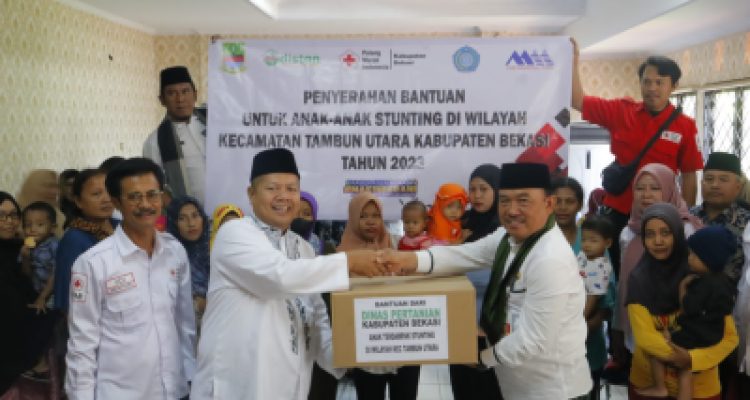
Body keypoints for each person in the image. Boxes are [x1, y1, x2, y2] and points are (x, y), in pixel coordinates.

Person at [382, 162, 592, 399]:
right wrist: (408, 260)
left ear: (548, 204)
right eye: (505, 201)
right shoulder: (507, 238)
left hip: (553, 390)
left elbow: (533, 341)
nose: (512, 210)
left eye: (523, 201)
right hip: (517, 385)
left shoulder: (550, 258)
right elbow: (464, 255)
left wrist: (482, 359)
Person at [190, 148, 388, 400]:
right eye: (272, 188)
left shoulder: (304, 249)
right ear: (251, 194)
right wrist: (348, 262)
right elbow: (279, 277)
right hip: (237, 388)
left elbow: (316, 319)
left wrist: (356, 351)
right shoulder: (235, 233)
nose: (283, 196)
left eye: (292, 189)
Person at [65, 158, 196, 399]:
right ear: (117, 202)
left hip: (174, 390)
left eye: (152, 195)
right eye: (134, 197)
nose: (145, 204)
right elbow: (82, 344)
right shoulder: (93, 263)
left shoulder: (174, 252)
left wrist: (190, 378)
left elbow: (184, 323)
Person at [572, 39, 704, 280]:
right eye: (646, 81)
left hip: (660, 216)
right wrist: (573, 61)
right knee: (611, 275)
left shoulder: (684, 126)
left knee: (657, 277)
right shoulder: (622, 111)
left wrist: (683, 217)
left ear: (674, 86)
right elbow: (577, 101)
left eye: (659, 82)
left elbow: (689, 176)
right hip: (618, 212)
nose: (652, 88)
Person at [626, 204, 738, 399]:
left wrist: (692, 359)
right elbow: (645, 338)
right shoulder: (639, 279)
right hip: (647, 382)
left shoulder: (702, 274)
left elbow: (729, 338)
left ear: (678, 234)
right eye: (650, 234)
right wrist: (680, 357)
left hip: (700, 388)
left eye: (666, 233)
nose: (658, 241)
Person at [614, 163, 703, 365]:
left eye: (655, 188)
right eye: (640, 188)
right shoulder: (628, 232)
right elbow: (624, 282)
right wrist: (618, 325)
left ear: (670, 190)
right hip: (639, 320)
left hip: (678, 325)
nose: (646, 195)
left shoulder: (686, 229)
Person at [339, 192, 420, 400]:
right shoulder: (341, 257)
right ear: (353, 218)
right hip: (366, 350)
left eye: (375, 215)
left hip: (405, 346)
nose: (370, 221)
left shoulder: (398, 244)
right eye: (363, 216)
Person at [451, 163, 503, 400]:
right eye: (472, 189)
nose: (477, 195)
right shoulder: (461, 226)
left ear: (497, 190)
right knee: (462, 387)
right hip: (459, 323)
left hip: (490, 328)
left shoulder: (504, 230)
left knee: (488, 389)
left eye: (484, 189)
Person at [54, 169, 117, 314]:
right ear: (78, 201)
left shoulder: (122, 228)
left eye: (109, 191)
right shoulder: (74, 239)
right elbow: (69, 295)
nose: (106, 199)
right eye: (96, 194)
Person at [143, 66, 207, 204]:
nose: (180, 99)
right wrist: (178, 211)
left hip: (232, 210)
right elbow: (155, 187)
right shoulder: (155, 141)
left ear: (195, 94)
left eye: (185, 91)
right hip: (189, 214)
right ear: (162, 100)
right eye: (172, 93)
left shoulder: (215, 123)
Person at [690, 152, 750, 284]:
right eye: (709, 179)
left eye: (723, 180)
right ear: (701, 183)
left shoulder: (747, 222)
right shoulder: (687, 217)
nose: (715, 185)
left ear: (738, 187)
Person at [0, 192, 37, 396]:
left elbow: (28, 285)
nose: (9, 222)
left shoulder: (21, 248)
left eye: (14, 215)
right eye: (1, 216)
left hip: (18, 336)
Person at [578, 215, 616, 399]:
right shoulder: (584, 256)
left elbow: (593, 297)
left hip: (583, 316)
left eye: (593, 240)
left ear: (607, 243)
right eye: (584, 239)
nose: (587, 244)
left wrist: (579, 318)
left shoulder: (601, 267)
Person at [167, 196, 211, 324]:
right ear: (174, 223)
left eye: (195, 215)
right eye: (182, 218)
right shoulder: (169, 257)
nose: (191, 223)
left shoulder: (215, 247)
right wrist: (198, 304)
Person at [16, 169, 65, 237]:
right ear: (32, 187)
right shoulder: (14, 217)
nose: (55, 192)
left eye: (56, 187)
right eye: (49, 186)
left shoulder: (59, 216)